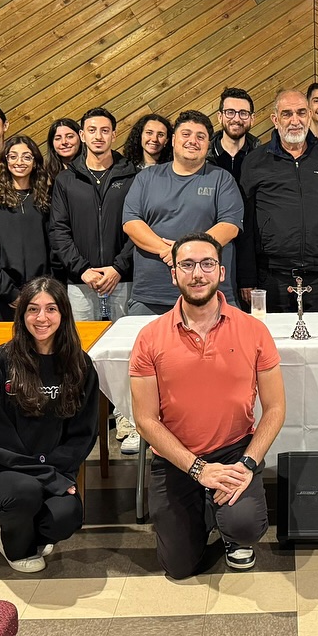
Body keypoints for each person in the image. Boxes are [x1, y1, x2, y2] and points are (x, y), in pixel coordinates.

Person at [130, 233, 284, 577]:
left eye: (207, 264)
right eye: (186, 264)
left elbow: (274, 409)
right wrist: (198, 469)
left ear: (221, 272)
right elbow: (145, 421)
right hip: (176, 456)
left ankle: (231, 532)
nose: (197, 273)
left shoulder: (253, 330)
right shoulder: (150, 337)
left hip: (234, 453)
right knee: (179, 566)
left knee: (244, 524)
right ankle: (202, 510)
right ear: (173, 274)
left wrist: (247, 463)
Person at [0, 277, 97, 572]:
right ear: (21, 314)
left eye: (51, 309)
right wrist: (45, 476)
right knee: (24, 491)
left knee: (67, 516)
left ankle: (26, 527)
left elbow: (83, 434)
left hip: (52, 470)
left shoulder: (80, 365)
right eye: (33, 309)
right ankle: (14, 544)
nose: (42, 318)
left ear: (64, 314)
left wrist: (54, 471)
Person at [237, 90, 318, 313]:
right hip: (270, 277)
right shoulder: (255, 162)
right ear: (275, 119)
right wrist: (246, 277)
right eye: (287, 114)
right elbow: (245, 224)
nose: (295, 120)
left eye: (301, 113)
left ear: (309, 115)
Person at [123, 110, 244, 316]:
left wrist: (182, 251)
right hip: (152, 296)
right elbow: (132, 223)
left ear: (207, 143)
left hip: (210, 295)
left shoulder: (222, 179)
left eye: (200, 136)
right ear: (173, 140)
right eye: (186, 134)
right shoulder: (147, 178)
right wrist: (172, 251)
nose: (193, 141)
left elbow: (229, 227)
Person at [51, 106, 136, 324]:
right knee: (82, 349)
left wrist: (119, 268)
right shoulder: (66, 180)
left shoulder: (133, 176)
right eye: (92, 130)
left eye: (105, 131)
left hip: (122, 280)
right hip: (81, 282)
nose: (98, 136)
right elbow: (59, 230)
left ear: (114, 135)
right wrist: (82, 270)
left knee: (123, 346)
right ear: (82, 135)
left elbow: (141, 226)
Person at [0, 135, 51, 317]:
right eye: (13, 156)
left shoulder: (46, 197)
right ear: (5, 161)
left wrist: (46, 289)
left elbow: (53, 246)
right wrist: (9, 293)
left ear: (35, 162)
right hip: (5, 295)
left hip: (43, 292)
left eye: (26, 157)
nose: (19, 162)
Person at [209, 87, 257, 181]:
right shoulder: (203, 157)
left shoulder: (261, 158)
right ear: (220, 117)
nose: (236, 119)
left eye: (243, 113)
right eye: (230, 112)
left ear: (252, 119)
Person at [43, 117, 84, 188]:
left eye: (70, 137)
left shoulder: (92, 168)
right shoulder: (46, 174)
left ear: (81, 138)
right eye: (58, 138)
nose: (64, 142)